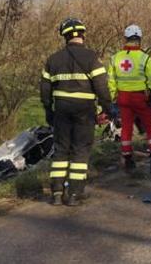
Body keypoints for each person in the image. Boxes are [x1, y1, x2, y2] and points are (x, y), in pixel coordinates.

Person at [41, 18, 111, 206]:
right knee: (81, 150)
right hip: (85, 111)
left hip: (61, 110)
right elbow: (102, 86)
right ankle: (74, 194)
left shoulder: (53, 59)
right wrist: (107, 108)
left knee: (61, 150)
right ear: (82, 34)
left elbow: (45, 89)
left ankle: (56, 193)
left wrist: (48, 110)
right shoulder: (91, 58)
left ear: (64, 36)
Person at [107, 24, 151, 173]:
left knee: (126, 128)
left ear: (126, 39)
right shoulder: (144, 58)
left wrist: (113, 97)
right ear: (139, 39)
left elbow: (111, 80)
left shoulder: (115, 58)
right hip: (141, 98)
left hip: (123, 98)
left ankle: (127, 159)